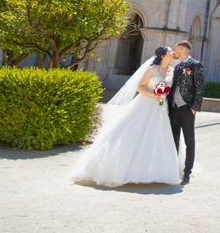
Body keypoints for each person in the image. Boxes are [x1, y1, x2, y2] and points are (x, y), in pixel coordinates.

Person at [72, 46, 180, 187]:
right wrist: (154, 94)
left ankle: (154, 172)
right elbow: (140, 87)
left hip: (161, 107)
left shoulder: (172, 71)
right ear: (163, 55)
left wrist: (164, 95)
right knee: (133, 134)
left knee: (158, 137)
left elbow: (171, 88)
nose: (173, 53)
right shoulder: (152, 69)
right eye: (171, 51)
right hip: (146, 104)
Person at [168, 40, 204, 185]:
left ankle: (187, 173)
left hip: (187, 109)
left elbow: (200, 87)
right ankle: (173, 169)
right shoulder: (177, 67)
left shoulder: (195, 64)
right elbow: (174, 87)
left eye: (178, 49)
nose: (176, 52)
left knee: (189, 142)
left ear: (183, 49)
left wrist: (195, 107)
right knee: (173, 140)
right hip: (174, 108)